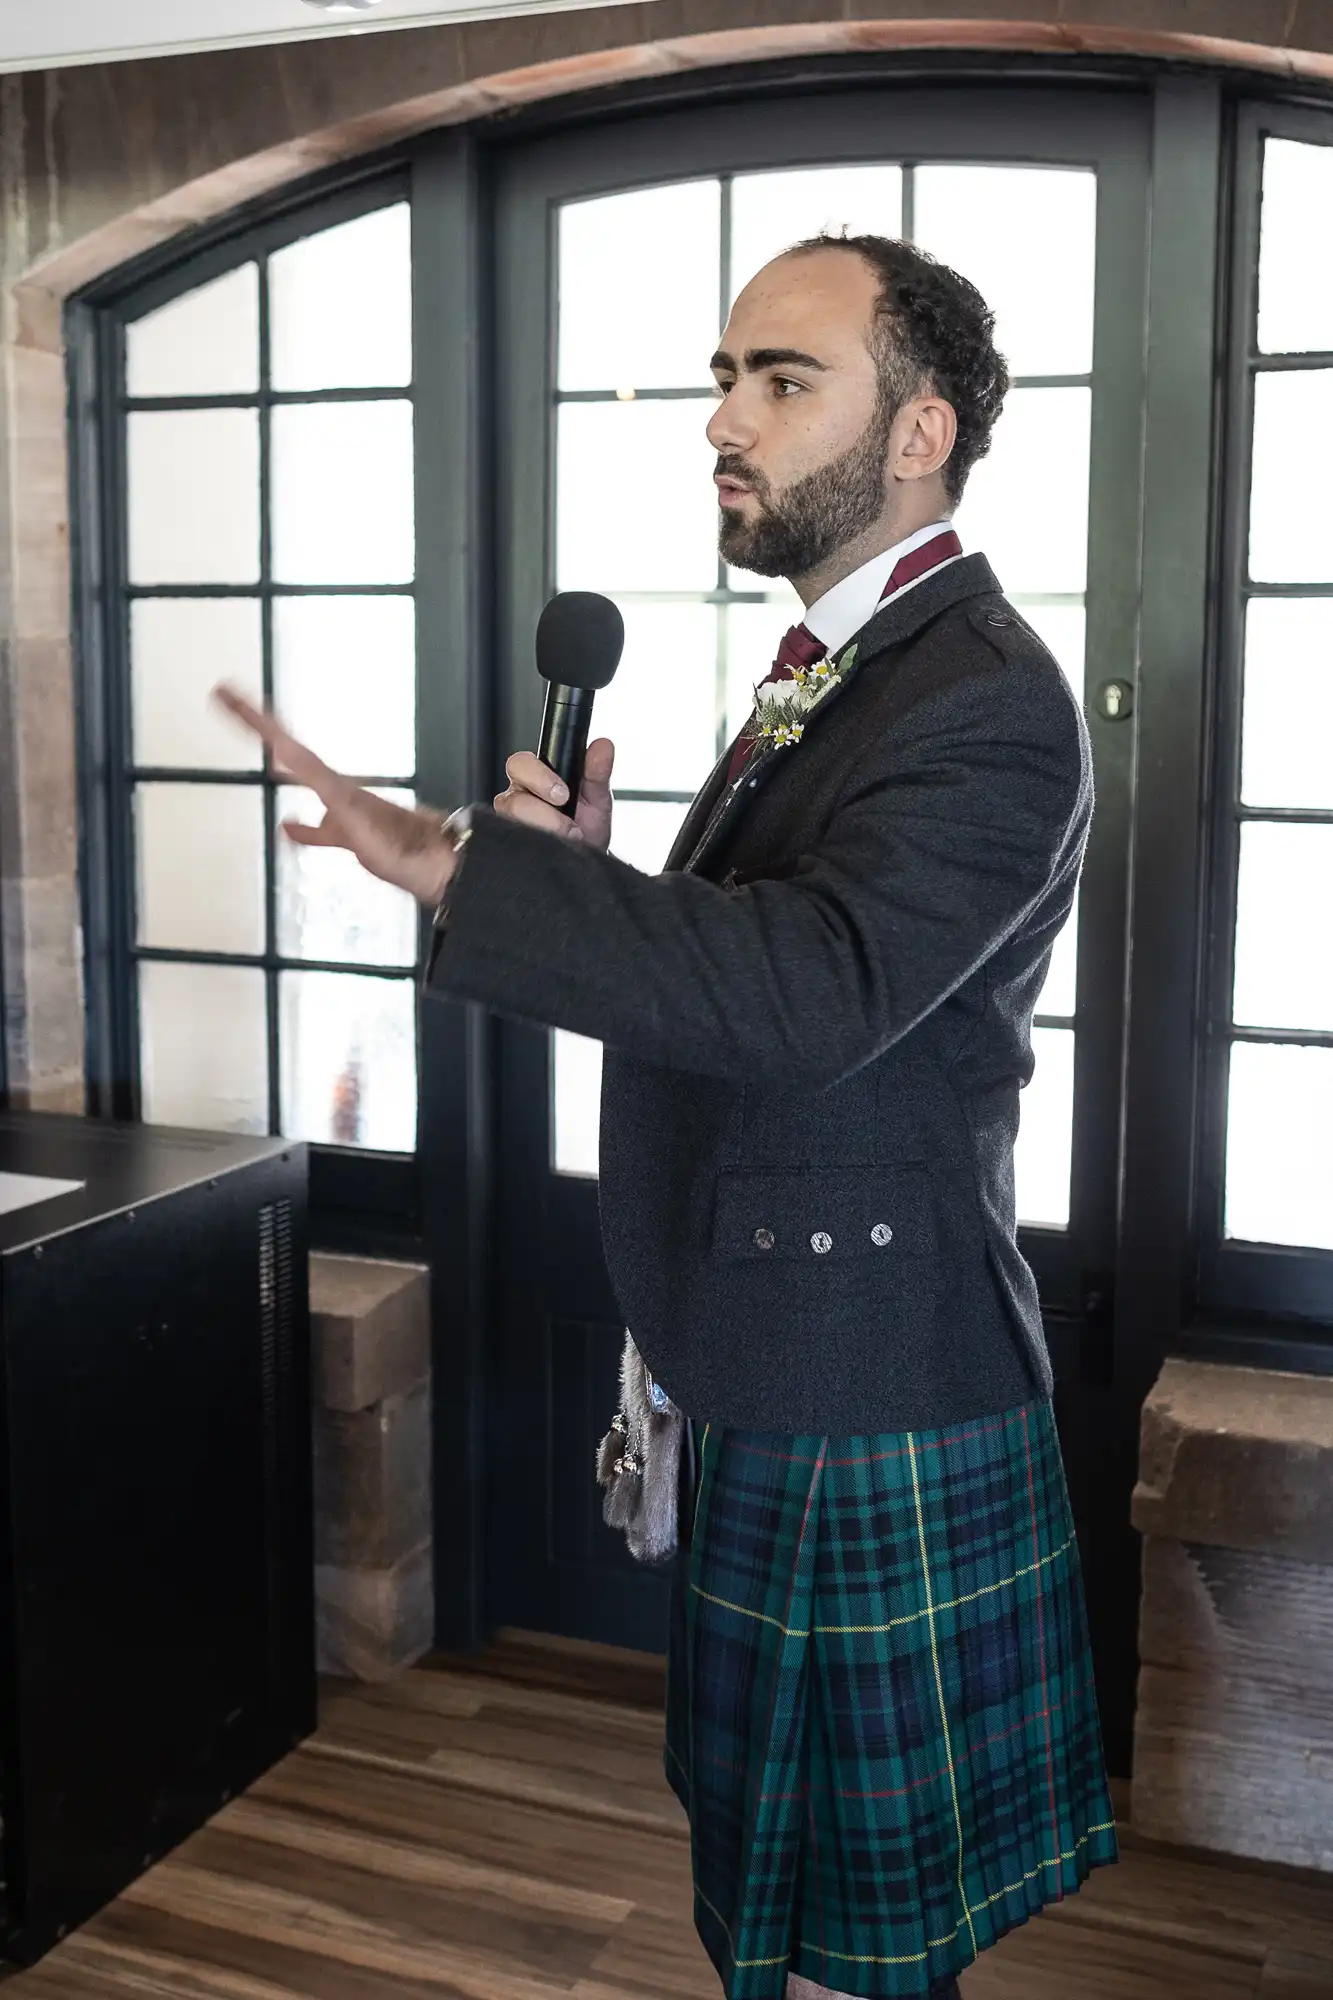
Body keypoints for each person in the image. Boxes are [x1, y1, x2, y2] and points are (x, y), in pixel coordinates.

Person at [219, 232, 1117, 2000]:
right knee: (772, 1889)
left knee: (866, 1940)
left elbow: (814, 995)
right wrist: (580, 878)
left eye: (784, 381)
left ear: (921, 430)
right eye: (725, 376)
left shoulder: (988, 698)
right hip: (785, 1345)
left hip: (872, 1372)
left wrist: (468, 871)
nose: (728, 418)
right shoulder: (849, 661)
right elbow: (756, 956)